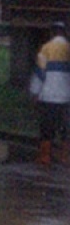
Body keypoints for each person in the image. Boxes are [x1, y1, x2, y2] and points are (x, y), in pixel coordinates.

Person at [31, 20, 70, 166]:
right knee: (66, 129)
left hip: (48, 96)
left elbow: (39, 73)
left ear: (52, 32)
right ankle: (65, 157)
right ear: (64, 32)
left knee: (47, 128)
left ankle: (45, 157)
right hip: (67, 98)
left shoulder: (46, 49)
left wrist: (34, 92)